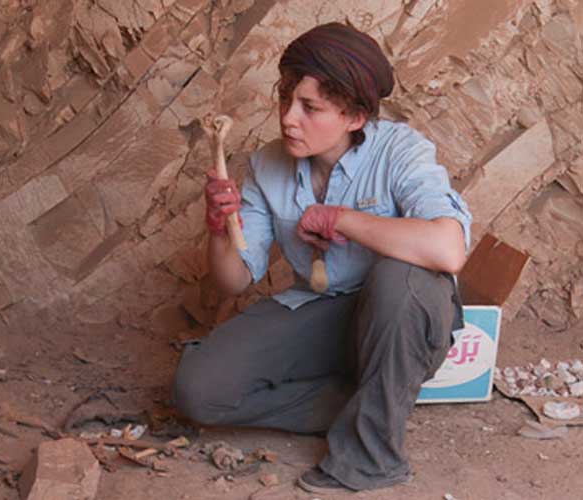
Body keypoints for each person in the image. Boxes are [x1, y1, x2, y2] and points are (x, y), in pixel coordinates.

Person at [172, 21, 472, 493]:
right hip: (322, 310)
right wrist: (218, 228)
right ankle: (370, 402)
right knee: (200, 391)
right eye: (285, 99)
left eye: (310, 107)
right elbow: (233, 281)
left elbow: (447, 250)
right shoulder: (266, 165)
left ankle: (371, 459)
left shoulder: (401, 152)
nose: (289, 118)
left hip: (400, 319)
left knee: (402, 276)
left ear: (354, 116)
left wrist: (344, 220)